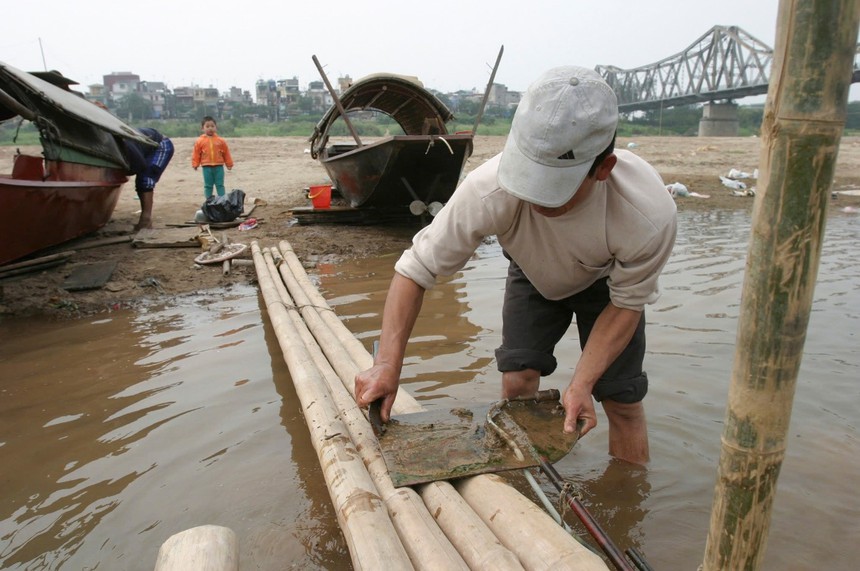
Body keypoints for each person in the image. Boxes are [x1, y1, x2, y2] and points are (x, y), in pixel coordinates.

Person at [354, 66, 677, 465]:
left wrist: (581, 384)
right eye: (529, 181)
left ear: (603, 169)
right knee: (517, 381)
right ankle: (526, 479)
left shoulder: (647, 214)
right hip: (532, 271)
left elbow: (627, 303)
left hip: (608, 288)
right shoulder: (488, 189)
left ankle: (629, 493)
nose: (536, 199)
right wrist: (387, 364)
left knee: (622, 400)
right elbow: (414, 269)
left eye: (553, 189)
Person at [122, 128, 174, 231]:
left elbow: (140, 165)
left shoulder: (127, 144)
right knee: (141, 182)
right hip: (146, 149)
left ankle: (146, 220)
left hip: (161, 145)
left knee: (145, 180)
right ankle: (145, 219)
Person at [192, 116, 234, 198]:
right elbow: (196, 153)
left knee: (220, 185)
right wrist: (195, 164)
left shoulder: (221, 141)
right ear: (202, 128)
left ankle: (222, 200)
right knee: (208, 185)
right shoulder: (200, 141)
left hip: (219, 167)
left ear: (216, 127)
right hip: (206, 167)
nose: (210, 128)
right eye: (207, 126)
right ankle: (208, 201)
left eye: (212, 126)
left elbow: (226, 153)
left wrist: (229, 164)